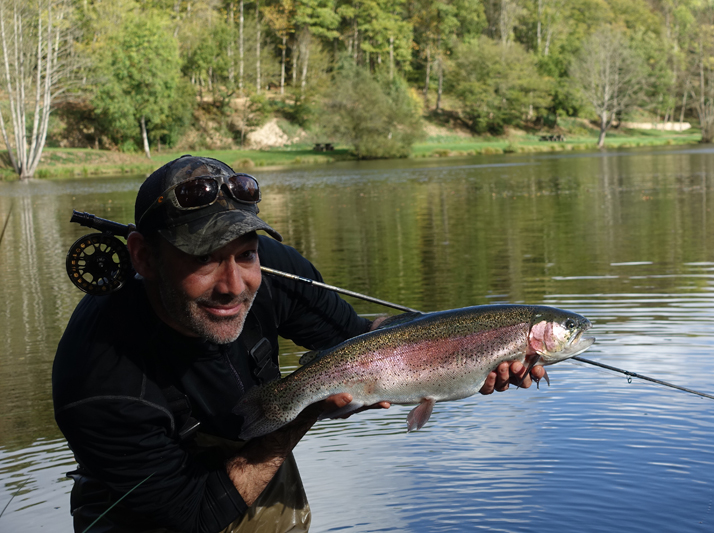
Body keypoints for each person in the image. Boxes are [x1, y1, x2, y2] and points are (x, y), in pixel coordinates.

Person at [52, 155, 535, 533]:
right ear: (143, 257)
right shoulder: (98, 379)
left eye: (245, 255)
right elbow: (191, 516)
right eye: (204, 260)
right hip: (153, 506)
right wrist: (305, 408)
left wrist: (479, 350)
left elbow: (356, 342)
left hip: (259, 451)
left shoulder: (275, 272)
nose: (234, 284)